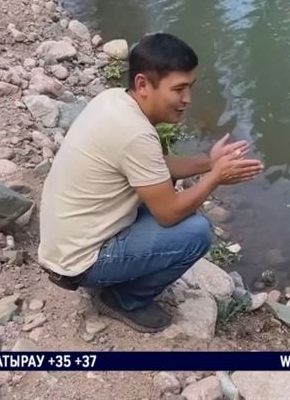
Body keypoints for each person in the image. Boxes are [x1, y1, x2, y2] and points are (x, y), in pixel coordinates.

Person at [37, 32, 264, 333]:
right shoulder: (135, 133)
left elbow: (155, 167)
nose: (187, 99)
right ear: (143, 84)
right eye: (179, 89)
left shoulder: (114, 101)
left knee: (172, 205)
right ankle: (123, 299)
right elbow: (168, 213)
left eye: (190, 88)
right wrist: (215, 178)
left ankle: (118, 275)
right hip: (79, 263)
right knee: (195, 232)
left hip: (63, 246)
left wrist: (210, 160)